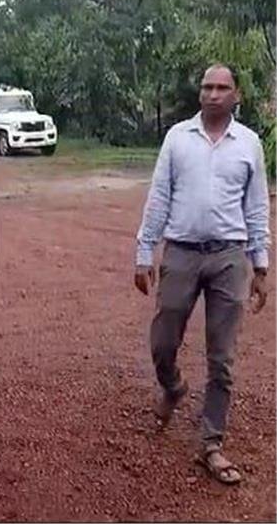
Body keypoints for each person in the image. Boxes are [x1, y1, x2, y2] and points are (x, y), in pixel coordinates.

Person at [134, 63, 270, 485]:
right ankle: (173, 386)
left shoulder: (249, 144)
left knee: (221, 357)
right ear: (200, 94)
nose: (213, 94)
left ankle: (211, 442)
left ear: (236, 95)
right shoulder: (178, 138)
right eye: (207, 87)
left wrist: (260, 264)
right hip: (181, 253)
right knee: (163, 340)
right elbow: (159, 196)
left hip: (229, 257)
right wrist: (144, 251)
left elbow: (256, 206)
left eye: (222, 87)